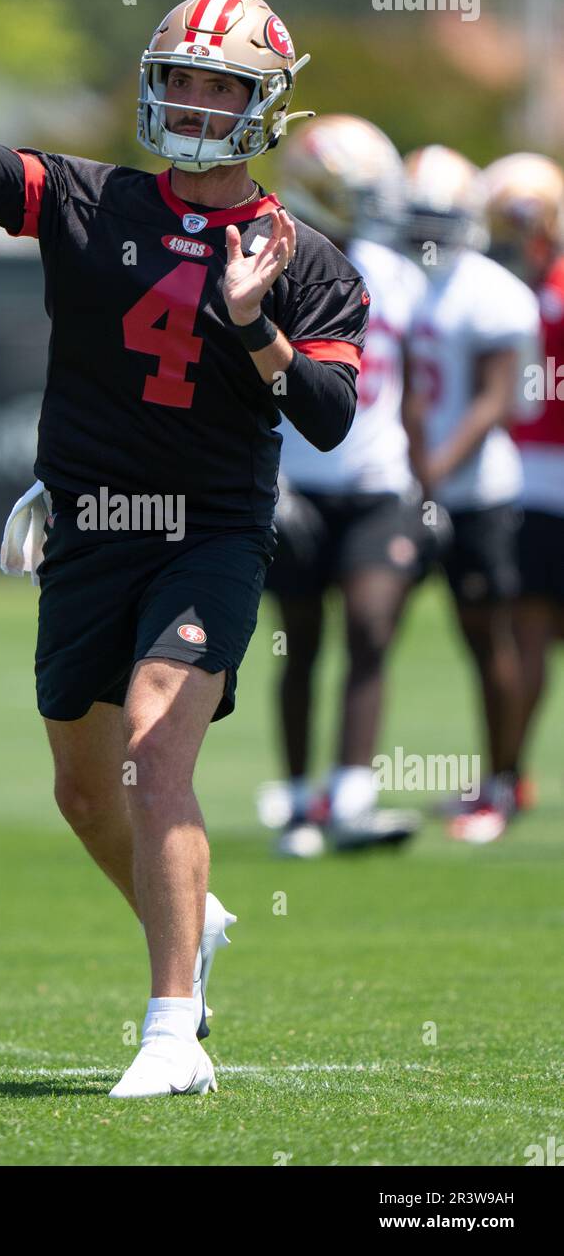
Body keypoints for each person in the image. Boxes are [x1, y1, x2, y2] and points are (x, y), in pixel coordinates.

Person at [0, 0, 368, 1096]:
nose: (199, 102)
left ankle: (171, 1033)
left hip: (210, 530)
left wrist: (253, 324)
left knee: (158, 751)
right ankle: (188, 910)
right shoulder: (85, 197)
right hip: (90, 523)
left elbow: (327, 417)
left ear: (266, 107)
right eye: (184, 81)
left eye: (224, 86)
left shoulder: (307, 258)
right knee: (83, 787)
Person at [258, 115, 427, 856]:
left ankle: (351, 794)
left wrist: (426, 482)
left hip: (376, 481)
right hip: (297, 481)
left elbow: (413, 387)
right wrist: (264, 478)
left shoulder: (398, 275)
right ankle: (300, 800)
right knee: (300, 644)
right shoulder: (274, 265)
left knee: (370, 626)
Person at [402, 146, 540, 843]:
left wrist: (430, 471)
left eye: (438, 220)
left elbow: (495, 404)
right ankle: (342, 788)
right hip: (397, 487)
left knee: (489, 636)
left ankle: (501, 783)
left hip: (477, 492)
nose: (425, 235)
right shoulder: (382, 278)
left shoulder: (493, 293)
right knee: (365, 631)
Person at [482, 153, 564, 810]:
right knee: (524, 633)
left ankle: (505, 780)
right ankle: (507, 777)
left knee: (526, 634)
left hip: (541, 483)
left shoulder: (527, 291)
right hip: (528, 480)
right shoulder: (513, 288)